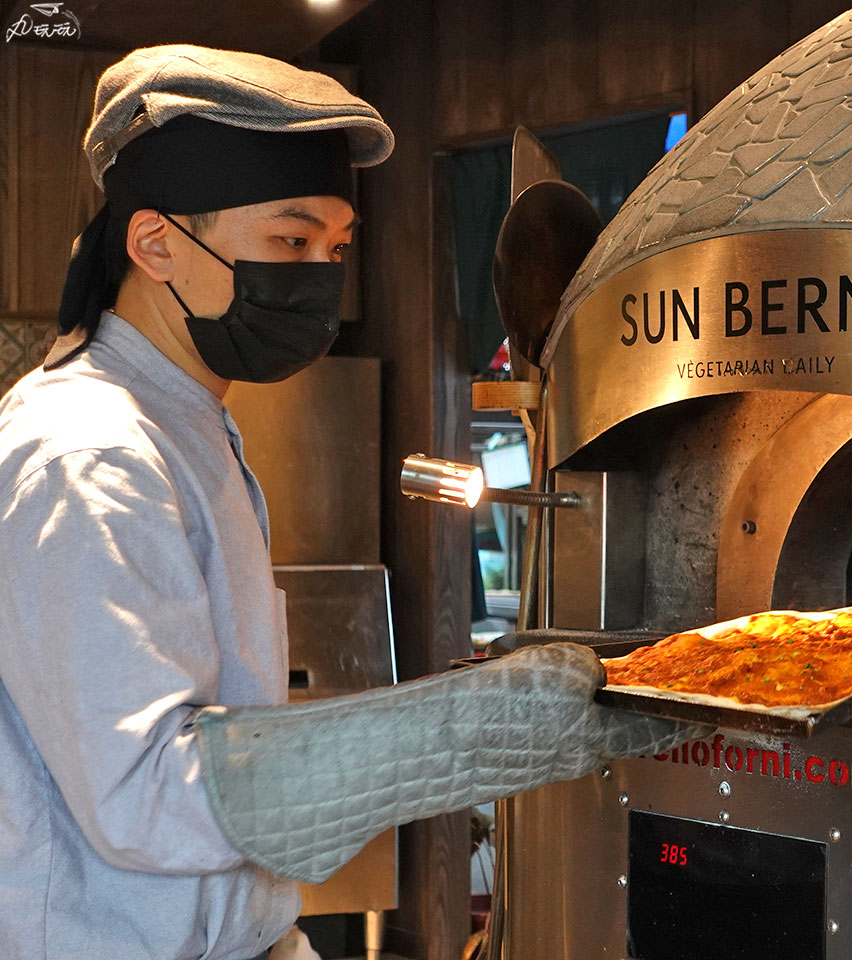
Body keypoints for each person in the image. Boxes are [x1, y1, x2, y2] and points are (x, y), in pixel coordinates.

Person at [0, 45, 698, 960]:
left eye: (334, 248)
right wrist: (458, 735)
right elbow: (147, 797)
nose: (319, 277)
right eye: (290, 242)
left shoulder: (186, 424)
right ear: (155, 240)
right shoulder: (87, 456)